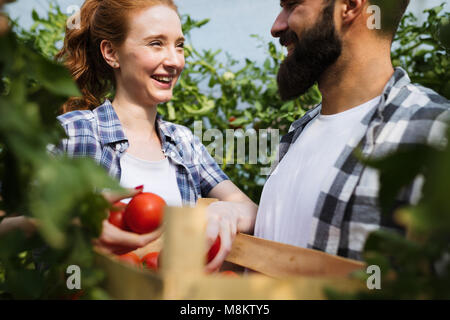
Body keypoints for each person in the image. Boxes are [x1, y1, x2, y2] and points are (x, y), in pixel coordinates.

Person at [50, 0, 257, 271]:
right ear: (111, 53)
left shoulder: (183, 142)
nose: (174, 61)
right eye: (156, 43)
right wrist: (72, 226)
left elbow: (251, 210)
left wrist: (228, 211)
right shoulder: (72, 133)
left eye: (179, 45)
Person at [254, 0, 450, 261]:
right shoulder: (298, 133)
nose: (276, 27)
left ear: (349, 6)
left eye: (292, 5)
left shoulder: (436, 133)